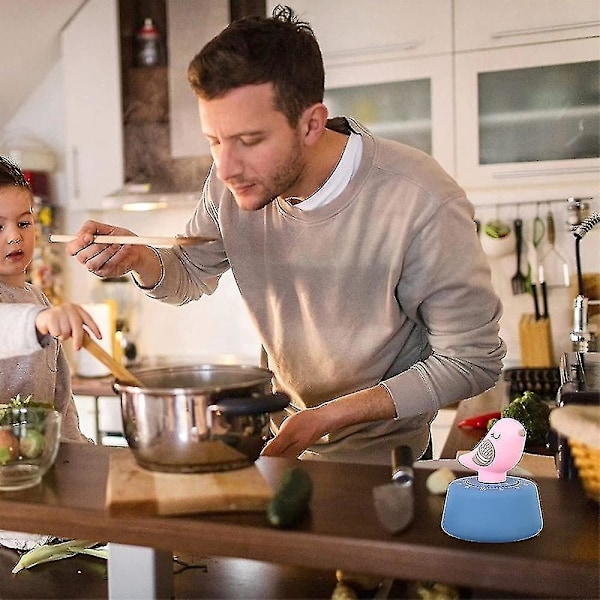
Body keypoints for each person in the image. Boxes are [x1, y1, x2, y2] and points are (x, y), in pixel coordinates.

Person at [65, 5, 505, 465]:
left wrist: (325, 417)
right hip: (282, 441)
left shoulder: (419, 199)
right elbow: (191, 273)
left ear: (312, 124)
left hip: (383, 461)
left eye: (249, 141)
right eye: (214, 140)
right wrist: (138, 258)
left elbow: (471, 361)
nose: (225, 167)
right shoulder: (230, 186)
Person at [0, 155, 102, 443]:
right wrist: (39, 320)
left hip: (41, 460)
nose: (14, 237)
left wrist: (76, 447)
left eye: (23, 222)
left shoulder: (37, 297)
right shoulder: (38, 313)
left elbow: (61, 400)